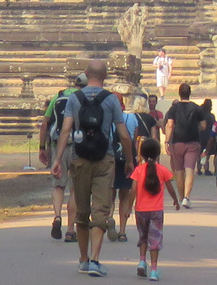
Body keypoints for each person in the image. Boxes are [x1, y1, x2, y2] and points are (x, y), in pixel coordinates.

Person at [54, 59, 131, 278]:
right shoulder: (111, 100)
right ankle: (96, 260)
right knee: (101, 210)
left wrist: (58, 159)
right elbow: (123, 134)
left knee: (82, 210)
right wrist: (130, 160)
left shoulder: (74, 99)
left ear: (86, 74)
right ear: (105, 76)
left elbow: (65, 130)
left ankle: (83, 259)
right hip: (104, 159)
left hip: (78, 158)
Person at [41, 74, 86, 242]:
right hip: (77, 145)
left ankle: (58, 216)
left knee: (58, 186)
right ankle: (70, 230)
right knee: (75, 188)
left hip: (56, 144)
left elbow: (45, 122)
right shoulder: (84, 98)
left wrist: (42, 147)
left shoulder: (59, 96)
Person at [129, 136, 178, 281]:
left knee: (143, 237)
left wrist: (128, 208)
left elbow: (133, 190)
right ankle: (154, 270)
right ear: (158, 154)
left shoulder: (138, 170)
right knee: (155, 240)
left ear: (142, 154)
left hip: (140, 211)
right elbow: (170, 188)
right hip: (156, 211)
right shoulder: (162, 170)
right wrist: (175, 200)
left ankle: (142, 261)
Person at [161, 84, 202, 209]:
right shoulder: (196, 108)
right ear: (190, 93)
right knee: (190, 169)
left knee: (179, 171)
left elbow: (169, 125)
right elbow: (204, 125)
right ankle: (186, 197)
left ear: (179, 93)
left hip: (177, 142)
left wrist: (167, 141)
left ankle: (180, 196)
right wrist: (195, 128)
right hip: (193, 142)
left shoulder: (174, 108)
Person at [110, 96, 145, 243]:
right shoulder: (132, 118)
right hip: (126, 158)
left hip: (110, 158)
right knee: (124, 195)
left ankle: (109, 218)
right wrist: (132, 160)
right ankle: (122, 231)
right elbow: (134, 141)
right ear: (123, 106)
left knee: (110, 193)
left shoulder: (107, 119)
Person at [195, 97, 215, 176]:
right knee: (207, 153)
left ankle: (199, 168)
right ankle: (206, 169)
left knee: (199, 153)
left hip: (199, 135)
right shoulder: (211, 116)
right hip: (208, 136)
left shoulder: (199, 115)